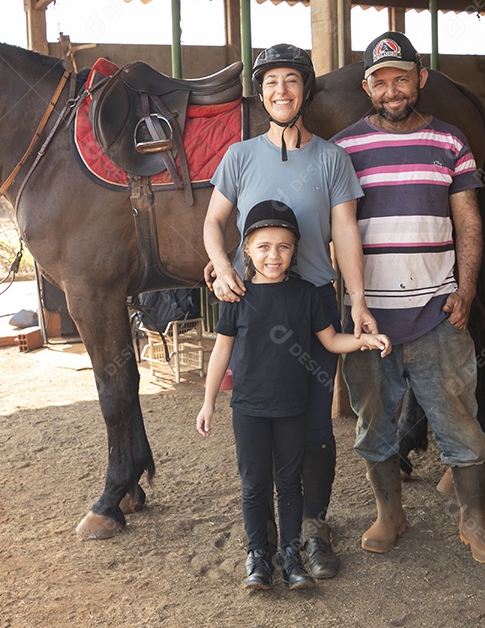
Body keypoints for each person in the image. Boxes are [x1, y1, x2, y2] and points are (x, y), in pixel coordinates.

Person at [332, 31, 485, 565]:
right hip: (370, 322)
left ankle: (473, 521)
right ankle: (390, 514)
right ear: (367, 88)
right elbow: (333, 229)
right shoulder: (344, 149)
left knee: (461, 422)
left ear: (421, 78)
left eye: (401, 79)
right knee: (374, 424)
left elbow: (468, 222)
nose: (392, 90)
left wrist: (467, 288)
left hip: (437, 313)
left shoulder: (450, 141)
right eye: (381, 81)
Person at [203, 44, 378, 579]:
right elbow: (213, 222)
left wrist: (358, 300)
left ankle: (313, 529)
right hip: (256, 302)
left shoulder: (332, 158)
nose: (282, 90)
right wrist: (222, 267)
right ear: (261, 94)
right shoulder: (239, 156)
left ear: (305, 91)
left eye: (292, 81)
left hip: (313, 302)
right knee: (260, 418)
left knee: (316, 426)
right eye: (272, 82)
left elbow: (345, 232)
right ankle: (265, 543)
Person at [197, 200, 390, 590]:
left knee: (289, 484)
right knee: (254, 485)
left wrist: (363, 341)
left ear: (294, 251)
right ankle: (258, 556)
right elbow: (221, 352)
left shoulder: (306, 295)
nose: (274, 255)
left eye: (283, 247)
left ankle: (290, 556)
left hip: (291, 408)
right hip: (249, 409)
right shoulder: (237, 297)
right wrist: (208, 402)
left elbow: (331, 341)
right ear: (247, 250)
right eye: (264, 246)